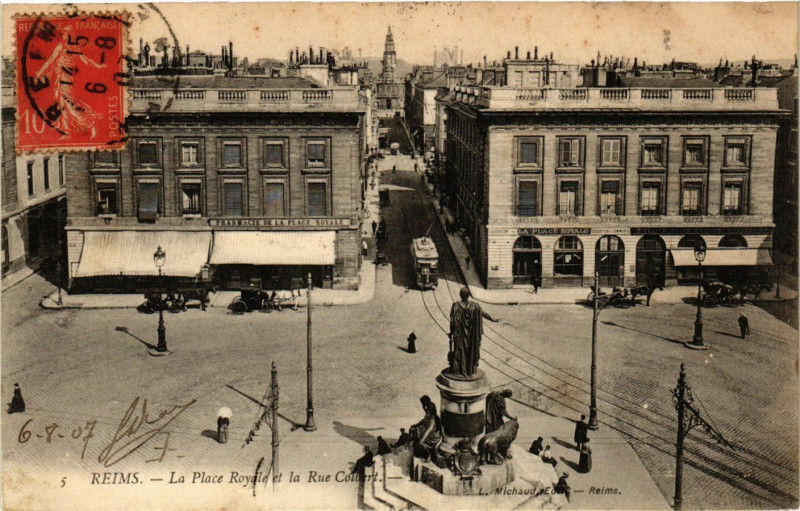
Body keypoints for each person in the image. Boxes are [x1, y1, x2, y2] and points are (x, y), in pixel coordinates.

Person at [448, 287, 498, 378]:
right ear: (468, 296)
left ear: (460, 295)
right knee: (470, 352)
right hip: (471, 337)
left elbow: (452, 322)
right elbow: (484, 314)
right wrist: (492, 319)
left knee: (459, 352)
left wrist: (451, 333)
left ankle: (459, 371)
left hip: (459, 336)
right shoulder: (475, 306)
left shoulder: (455, 305)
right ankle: (469, 371)